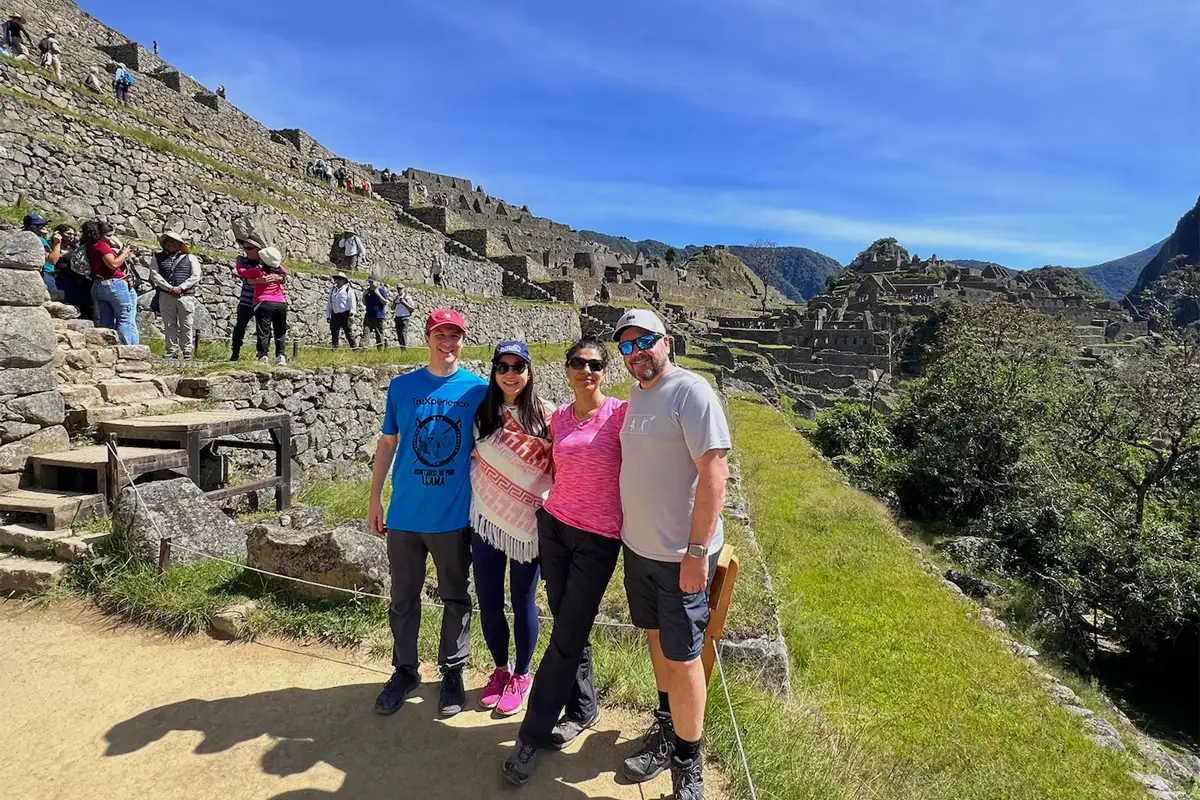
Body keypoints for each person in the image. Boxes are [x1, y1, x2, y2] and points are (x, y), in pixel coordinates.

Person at [615, 309, 730, 800]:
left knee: (684, 658)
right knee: (658, 640)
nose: (637, 352)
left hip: (680, 554)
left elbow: (714, 474)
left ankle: (688, 762)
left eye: (646, 341)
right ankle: (667, 727)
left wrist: (697, 551)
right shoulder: (638, 397)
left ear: (667, 341)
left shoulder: (691, 392)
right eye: (626, 346)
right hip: (640, 549)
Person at [501, 338, 627, 786]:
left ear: (605, 371)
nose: (585, 370)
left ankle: (531, 736)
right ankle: (583, 706)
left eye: (594, 364)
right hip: (554, 528)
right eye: (578, 362)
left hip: (598, 539)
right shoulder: (559, 417)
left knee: (566, 636)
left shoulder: (620, 414)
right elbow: (540, 461)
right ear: (567, 368)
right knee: (569, 626)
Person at [367, 308, 488, 719]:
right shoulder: (402, 387)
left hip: (452, 518)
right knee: (403, 598)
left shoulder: (477, 390)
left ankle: (452, 671)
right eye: (441, 334)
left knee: (456, 596)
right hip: (404, 515)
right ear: (428, 337)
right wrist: (374, 498)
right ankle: (404, 670)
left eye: (455, 336)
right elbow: (387, 444)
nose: (448, 343)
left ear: (463, 340)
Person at [470, 341, 554, 718]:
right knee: (488, 599)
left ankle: (522, 674)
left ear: (529, 371)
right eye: (502, 366)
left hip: (528, 524)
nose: (509, 373)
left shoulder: (546, 417)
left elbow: (558, 468)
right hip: (487, 518)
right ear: (494, 371)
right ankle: (500, 668)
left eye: (517, 366)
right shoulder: (482, 415)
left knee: (522, 601)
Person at [82, 220, 139, 344]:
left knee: (105, 321)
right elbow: (113, 264)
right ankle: (131, 350)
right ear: (99, 234)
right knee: (125, 318)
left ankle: (107, 349)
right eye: (108, 235)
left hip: (98, 285)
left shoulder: (89, 246)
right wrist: (124, 252)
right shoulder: (102, 246)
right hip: (114, 284)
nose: (110, 238)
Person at [148, 230, 201, 360]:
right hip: (166, 295)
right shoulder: (157, 257)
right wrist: (169, 287)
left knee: (187, 323)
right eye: (169, 241)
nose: (171, 244)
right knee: (169, 324)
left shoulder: (190, 258)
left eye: (174, 242)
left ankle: (187, 351)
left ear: (180, 244)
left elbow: (196, 275)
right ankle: (171, 351)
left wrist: (181, 287)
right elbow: (155, 275)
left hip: (186, 296)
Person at [236, 242, 289, 364]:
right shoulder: (279, 271)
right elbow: (284, 271)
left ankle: (263, 355)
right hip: (281, 302)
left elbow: (242, 272)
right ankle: (281, 356)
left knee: (264, 331)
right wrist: (279, 277)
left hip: (264, 302)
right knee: (280, 331)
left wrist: (238, 261)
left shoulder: (258, 271)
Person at [51, 224, 88, 317]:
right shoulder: (53, 245)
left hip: (72, 278)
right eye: (68, 234)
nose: (71, 236)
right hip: (58, 277)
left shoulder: (74, 247)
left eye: (73, 234)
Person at [23, 213, 58, 294]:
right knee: (52, 295)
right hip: (45, 273)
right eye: (42, 225)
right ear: (34, 227)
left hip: (30, 273)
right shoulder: (39, 240)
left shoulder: (21, 236)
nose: (44, 227)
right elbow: (52, 260)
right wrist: (57, 243)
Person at [325, 272, 358, 350]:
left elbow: (352, 302)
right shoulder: (333, 290)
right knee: (334, 332)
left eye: (338, 279)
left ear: (343, 280)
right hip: (335, 314)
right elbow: (330, 303)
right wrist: (327, 315)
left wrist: (352, 313)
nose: (336, 280)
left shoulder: (348, 290)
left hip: (345, 314)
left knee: (348, 332)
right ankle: (334, 349)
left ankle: (354, 349)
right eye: (335, 279)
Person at [362, 277, 390, 350]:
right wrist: (364, 295)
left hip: (378, 316)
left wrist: (378, 294)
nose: (370, 284)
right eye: (369, 282)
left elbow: (385, 302)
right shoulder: (368, 291)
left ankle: (380, 349)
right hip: (369, 315)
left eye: (372, 282)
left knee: (379, 334)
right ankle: (363, 349)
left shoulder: (381, 290)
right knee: (366, 332)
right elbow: (364, 303)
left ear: (376, 282)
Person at [392, 285, 416, 351]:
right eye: (398, 288)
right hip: (397, 318)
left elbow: (412, 308)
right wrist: (394, 302)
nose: (399, 290)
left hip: (405, 318)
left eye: (400, 288)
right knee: (399, 334)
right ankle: (402, 349)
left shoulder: (407, 297)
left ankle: (405, 348)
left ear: (403, 289)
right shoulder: (396, 297)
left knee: (403, 333)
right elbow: (392, 308)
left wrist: (404, 303)